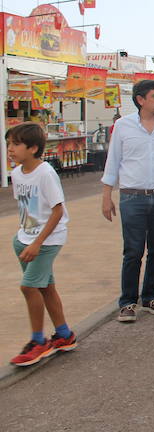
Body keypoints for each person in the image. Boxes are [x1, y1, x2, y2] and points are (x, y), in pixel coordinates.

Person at [101, 79, 154, 323]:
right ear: (141, 100)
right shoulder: (123, 126)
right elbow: (113, 161)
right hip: (132, 197)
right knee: (133, 251)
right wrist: (107, 196)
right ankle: (127, 302)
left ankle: (150, 297)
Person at [6, 123, 77, 366]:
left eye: (16, 144)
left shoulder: (46, 173)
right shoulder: (16, 174)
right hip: (25, 239)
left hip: (47, 241)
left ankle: (38, 341)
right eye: (8, 144)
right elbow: (27, 209)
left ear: (33, 148)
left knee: (28, 288)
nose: (10, 150)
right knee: (45, 287)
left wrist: (37, 243)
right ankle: (65, 335)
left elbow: (57, 211)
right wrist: (24, 239)